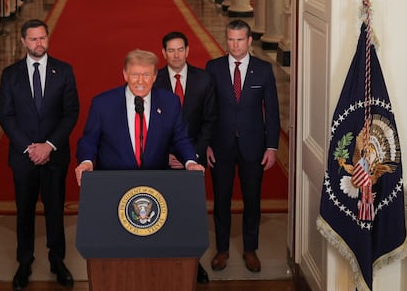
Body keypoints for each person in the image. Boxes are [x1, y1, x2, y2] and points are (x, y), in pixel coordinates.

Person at [0, 19, 79, 290]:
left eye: (43, 38)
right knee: (25, 210)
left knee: (55, 210)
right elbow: (6, 116)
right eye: (33, 39)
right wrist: (29, 147)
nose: (39, 44)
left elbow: (71, 113)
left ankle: (58, 261)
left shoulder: (64, 71)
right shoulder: (10, 75)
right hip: (23, 157)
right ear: (23, 41)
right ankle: (25, 262)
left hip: (54, 156)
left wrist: (49, 146)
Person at [205, 19, 281, 274]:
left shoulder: (263, 70)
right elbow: (208, 110)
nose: (234, 45)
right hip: (221, 145)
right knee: (222, 199)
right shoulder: (213, 68)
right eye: (230, 39)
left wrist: (272, 147)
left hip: (253, 146)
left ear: (249, 41)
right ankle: (222, 249)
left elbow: (271, 111)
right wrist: (206, 145)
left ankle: (250, 249)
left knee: (252, 199)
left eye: (239, 40)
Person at [75, 49, 205, 184]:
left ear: (155, 76)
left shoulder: (170, 102)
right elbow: (89, 140)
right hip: (113, 182)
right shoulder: (103, 103)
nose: (141, 81)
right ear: (125, 74)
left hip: (156, 183)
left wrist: (190, 162)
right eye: (135, 75)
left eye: (147, 75)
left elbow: (181, 138)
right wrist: (86, 162)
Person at [156, 31, 217, 283]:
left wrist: (191, 156)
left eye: (180, 49)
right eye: (171, 50)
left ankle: (194, 264)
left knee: (190, 213)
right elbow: (149, 125)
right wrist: (167, 154)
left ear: (188, 51)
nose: (176, 55)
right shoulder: (155, 80)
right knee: (163, 211)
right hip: (162, 160)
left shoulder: (204, 80)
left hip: (193, 161)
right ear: (163, 53)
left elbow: (209, 121)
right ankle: (163, 260)